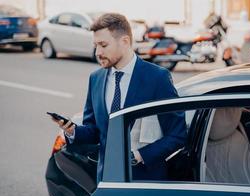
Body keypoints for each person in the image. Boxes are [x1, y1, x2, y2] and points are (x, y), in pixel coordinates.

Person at [51, 13, 187, 183]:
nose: (97, 52)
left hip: (145, 181)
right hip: (106, 178)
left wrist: (139, 156)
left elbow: (177, 135)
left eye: (103, 45)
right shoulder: (96, 79)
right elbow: (95, 131)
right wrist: (72, 131)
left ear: (124, 42)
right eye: (95, 46)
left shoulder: (157, 78)